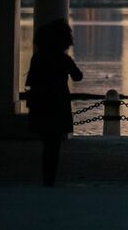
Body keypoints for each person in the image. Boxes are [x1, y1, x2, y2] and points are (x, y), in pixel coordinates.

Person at [25, 19, 84, 186]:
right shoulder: (63, 59)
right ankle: (50, 179)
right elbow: (78, 76)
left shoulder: (37, 58)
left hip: (40, 103)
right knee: (54, 144)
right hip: (58, 103)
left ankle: (47, 178)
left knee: (46, 143)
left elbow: (30, 81)